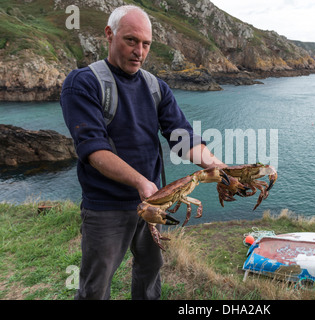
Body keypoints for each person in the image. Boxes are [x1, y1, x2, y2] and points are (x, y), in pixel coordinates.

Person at [60, 5, 225, 300]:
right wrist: (140, 182)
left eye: (146, 43)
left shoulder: (156, 87)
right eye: (131, 40)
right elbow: (93, 149)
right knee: (95, 286)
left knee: (150, 271)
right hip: (106, 206)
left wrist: (219, 167)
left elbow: (182, 137)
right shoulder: (83, 82)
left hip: (154, 202)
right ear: (109, 35)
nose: (139, 51)